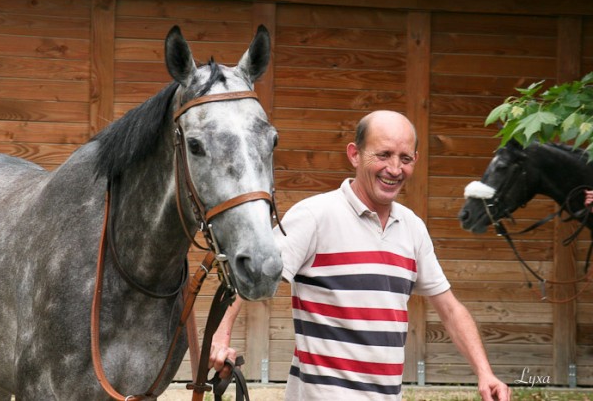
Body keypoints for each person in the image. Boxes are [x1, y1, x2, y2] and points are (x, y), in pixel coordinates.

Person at [210, 110, 511, 400]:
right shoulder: (315, 216)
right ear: (354, 154)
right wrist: (221, 338)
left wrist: (485, 373)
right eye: (383, 155)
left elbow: (450, 309)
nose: (395, 169)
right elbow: (251, 277)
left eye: (405, 158)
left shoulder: (413, 228)